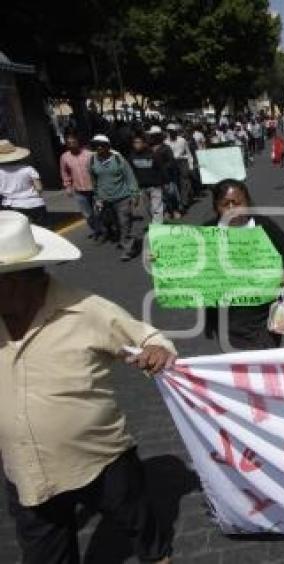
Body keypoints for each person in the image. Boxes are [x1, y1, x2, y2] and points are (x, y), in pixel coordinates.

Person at [0, 210, 176, 564]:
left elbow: (147, 338)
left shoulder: (85, 310)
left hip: (101, 458)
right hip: (27, 469)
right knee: (44, 551)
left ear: (24, 281)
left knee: (136, 520)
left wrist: (157, 349)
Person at [203, 179, 284, 351]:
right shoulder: (207, 231)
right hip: (227, 317)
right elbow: (189, 262)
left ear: (248, 203)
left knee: (266, 360)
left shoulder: (263, 226)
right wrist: (161, 259)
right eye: (226, 204)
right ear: (217, 206)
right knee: (239, 363)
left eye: (238, 203)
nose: (232, 209)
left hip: (264, 313)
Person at [89, 134, 140, 261]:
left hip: (122, 197)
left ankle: (128, 249)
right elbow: (94, 181)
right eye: (96, 145)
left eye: (102, 145)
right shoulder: (92, 161)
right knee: (114, 223)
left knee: (124, 223)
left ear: (108, 146)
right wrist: (97, 197)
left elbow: (130, 176)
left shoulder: (118, 159)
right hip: (105, 200)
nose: (99, 147)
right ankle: (122, 240)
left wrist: (134, 194)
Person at [59, 130, 100, 238]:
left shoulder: (90, 155)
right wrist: (67, 186)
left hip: (94, 189)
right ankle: (97, 230)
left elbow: (99, 170)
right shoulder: (64, 157)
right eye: (69, 143)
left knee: (98, 212)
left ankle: (104, 229)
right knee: (87, 214)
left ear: (78, 142)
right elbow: (65, 172)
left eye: (73, 142)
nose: (71, 145)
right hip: (79, 190)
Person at [0, 139, 46, 226]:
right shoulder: (28, 169)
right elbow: (39, 188)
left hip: (11, 206)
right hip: (34, 204)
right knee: (41, 232)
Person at [128, 131, 168, 226]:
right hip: (141, 187)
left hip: (155, 186)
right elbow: (131, 173)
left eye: (138, 142)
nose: (136, 145)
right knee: (147, 208)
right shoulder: (131, 157)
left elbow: (161, 169)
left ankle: (157, 228)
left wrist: (165, 182)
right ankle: (154, 223)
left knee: (156, 208)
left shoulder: (153, 155)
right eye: (134, 143)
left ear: (144, 144)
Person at [148, 126, 180, 219]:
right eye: (151, 136)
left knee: (171, 193)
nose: (152, 137)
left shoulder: (166, 148)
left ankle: (175, 209)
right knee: (160, 195)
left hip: (167, 176)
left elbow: (171, 161)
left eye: (154, 135)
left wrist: (164, 168)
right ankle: (165, 211)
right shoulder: (149, 148)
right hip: (154, 176)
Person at [164, 124, 194, 210]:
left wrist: (191, 165)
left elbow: (188, 153)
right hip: (172, 163)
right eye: (170, 131)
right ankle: (177, 201)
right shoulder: (166, 142)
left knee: (184, 181)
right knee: (174, 183)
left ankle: (184, 201)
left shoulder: (182, 140)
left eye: (173, 131)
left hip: (182, 162)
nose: (172, 133)